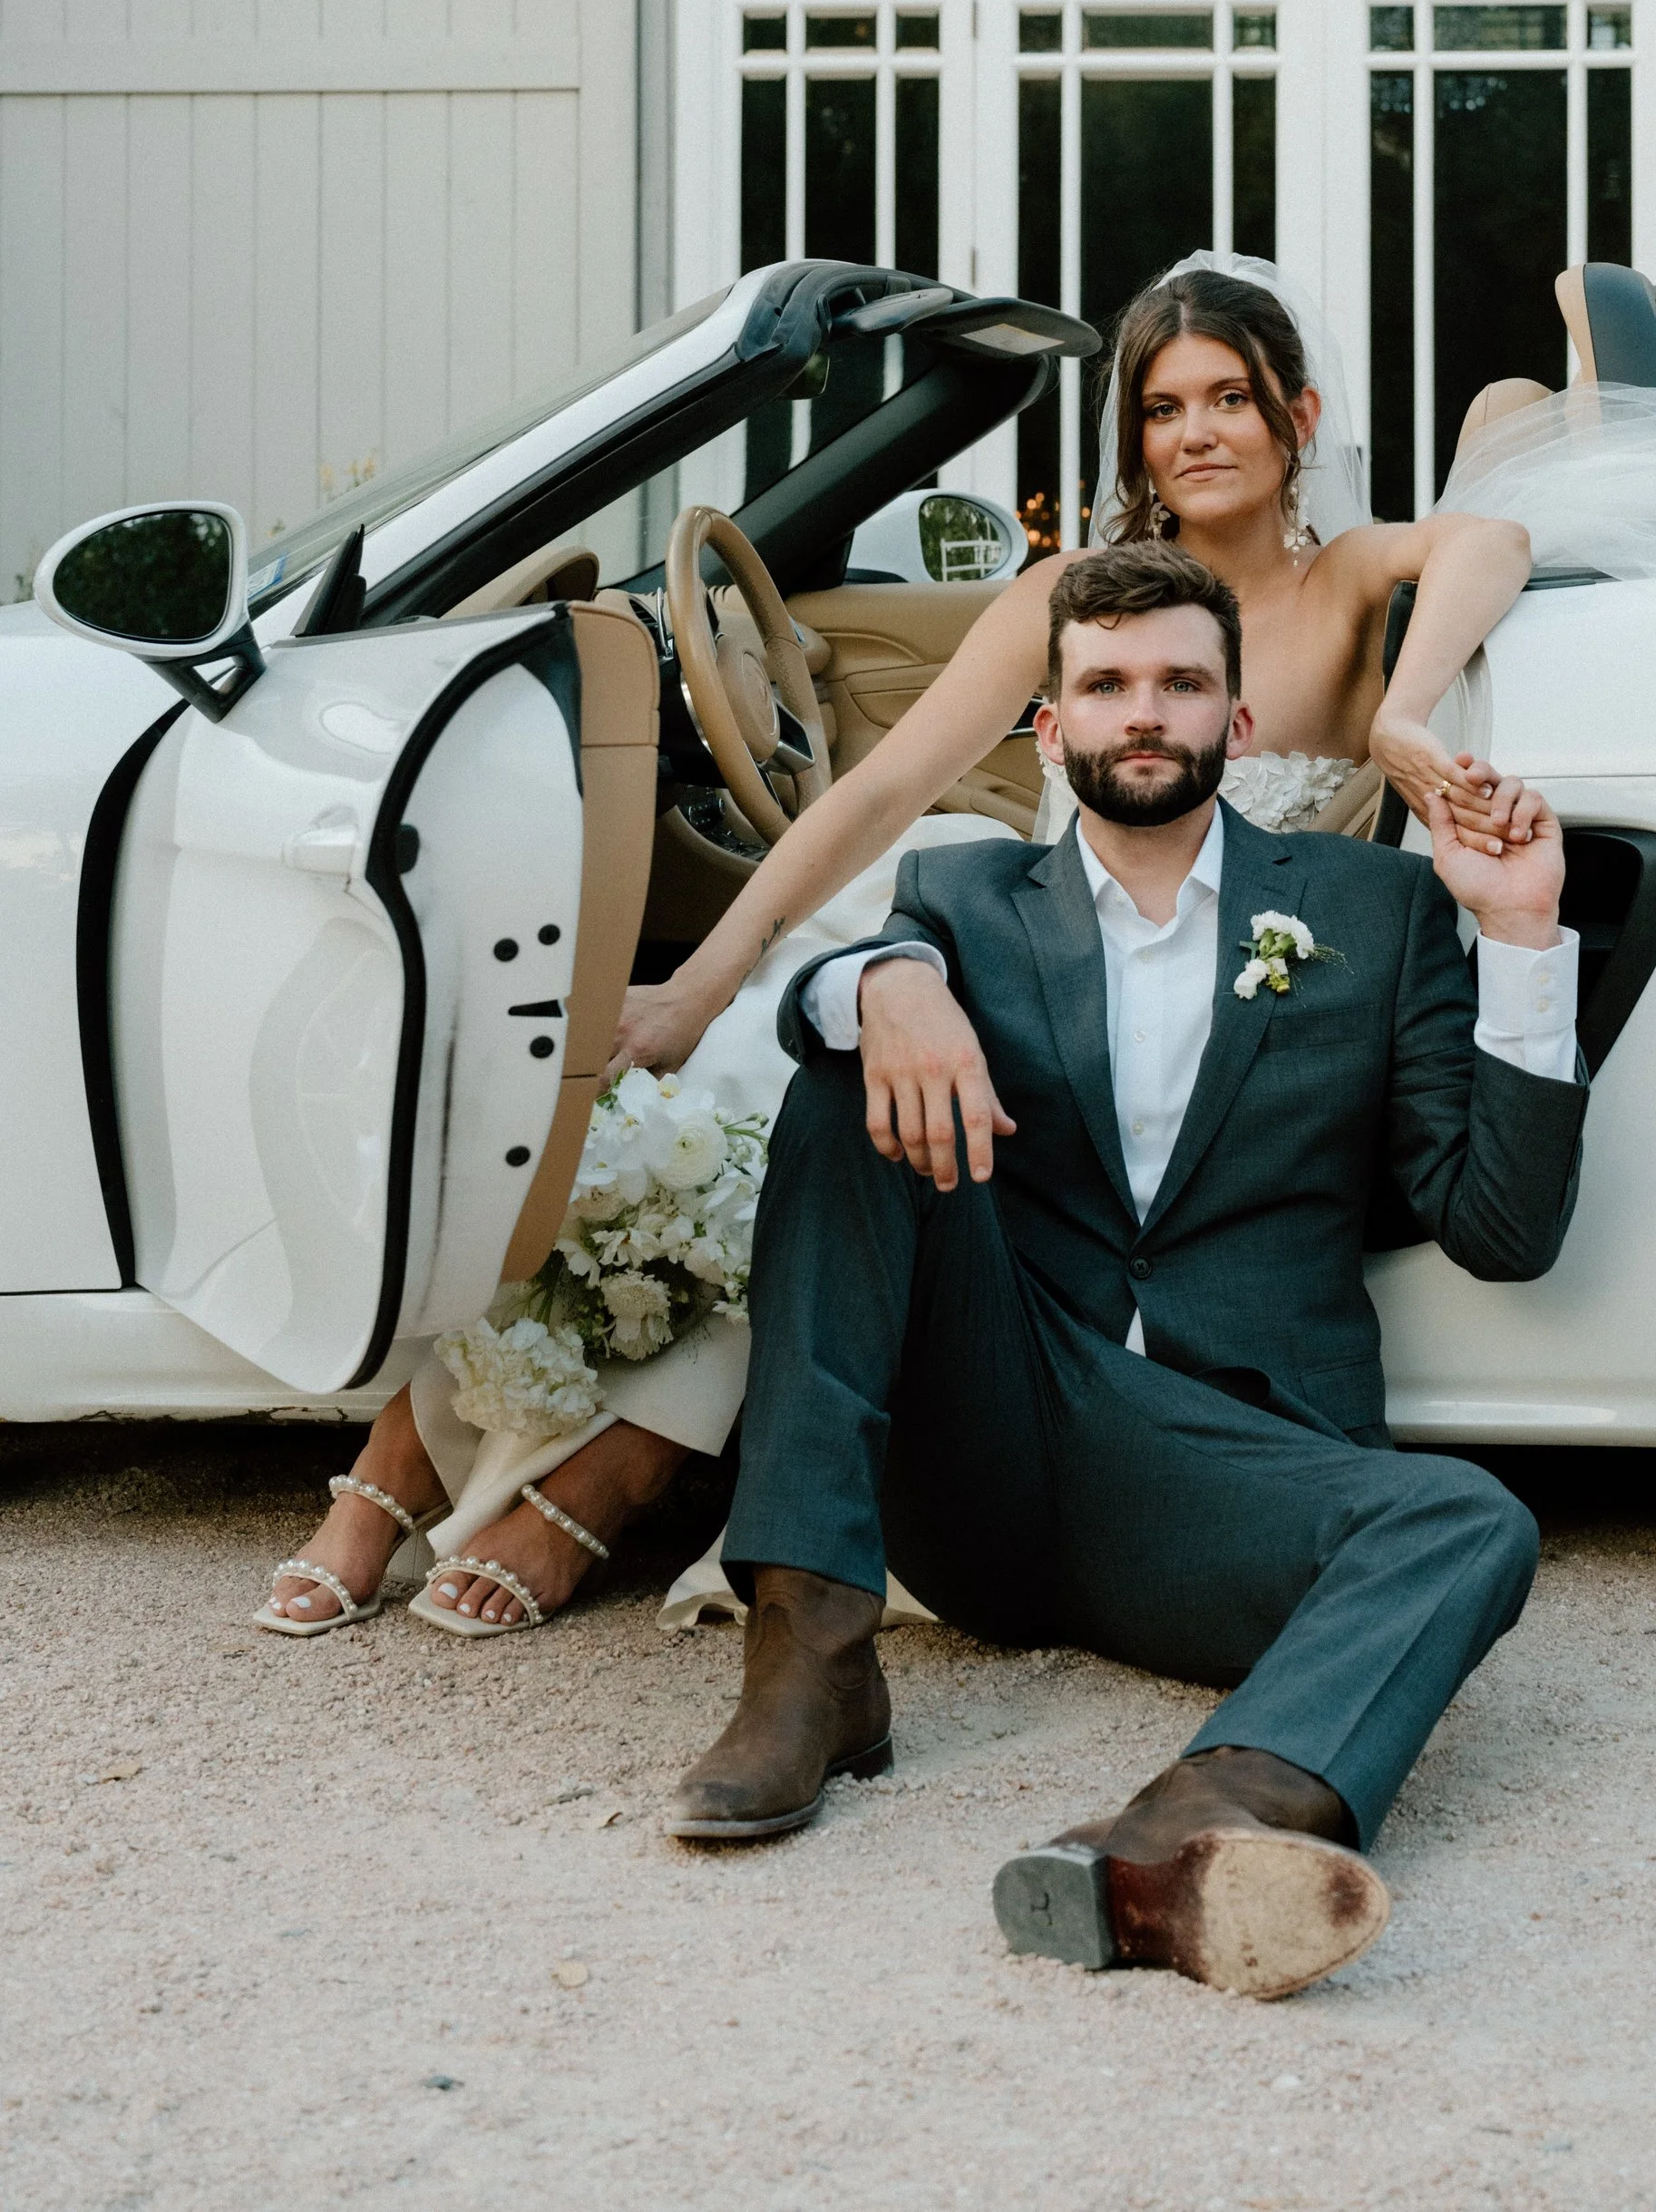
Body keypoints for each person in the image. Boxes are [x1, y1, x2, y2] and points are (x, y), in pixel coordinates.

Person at [258, 252, 1535, 1638]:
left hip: (1140, 1026)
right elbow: (877, 794)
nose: (1199, 433)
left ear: (1299, 417)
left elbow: (1490, 543)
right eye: (1164, 408)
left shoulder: (1346, 578)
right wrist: (698, 983)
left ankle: (614, 1476)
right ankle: (399, 1458)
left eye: (1231, 397)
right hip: (1003, 949)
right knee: (707, 1068)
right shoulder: (1065, 592)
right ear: (1135, 441)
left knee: (812, 1098)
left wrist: (1405, 714)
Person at [663, 540, 1586, 2002]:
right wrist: (882, 979)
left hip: (1233, 1477)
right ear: (1054, 726)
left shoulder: (1370, 909)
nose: (1143, 710)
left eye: (1181, 683)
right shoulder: (963, 897)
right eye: (1105, 684)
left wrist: (1523, 932)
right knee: (849, 1071)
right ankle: (808, 1653)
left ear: (1243, 721)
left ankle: (1187, 1832)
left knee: (1469, 1521)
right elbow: (845, 1000)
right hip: (1001, 1440)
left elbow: (1503, 1232)